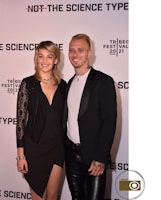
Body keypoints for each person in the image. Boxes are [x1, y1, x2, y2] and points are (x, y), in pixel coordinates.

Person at [64, 33, 117, 200]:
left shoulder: (103, 81)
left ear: (89, 53)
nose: (75, 54)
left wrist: (100, 158)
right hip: (72, 157)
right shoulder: (69, 83)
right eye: (71, 50)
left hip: (94, 157)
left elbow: (109, 122)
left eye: (80, 50)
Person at [16, 41, 66, 200]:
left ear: (56, 60)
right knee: (38, 197)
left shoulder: (63, 86)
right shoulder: (28, 84)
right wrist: (21, 155)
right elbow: (20, 122)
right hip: (34, 149)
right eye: (41, 56)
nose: (45, 61)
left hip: (57, 148)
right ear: (36, 59)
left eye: (49, 56)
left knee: (52, 196)